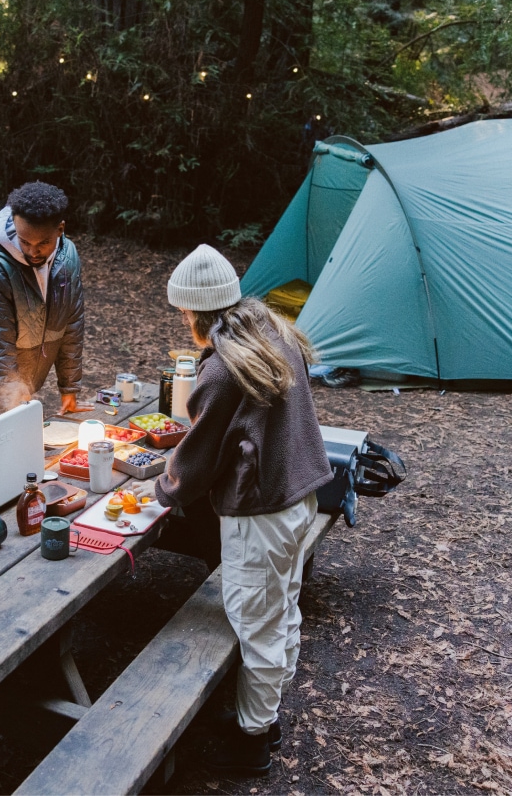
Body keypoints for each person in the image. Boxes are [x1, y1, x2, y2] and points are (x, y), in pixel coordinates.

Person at [135, 244, 333, 776]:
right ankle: (264, 714)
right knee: (282, 605)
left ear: (194, 312)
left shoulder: (225, 368)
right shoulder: (268, 332)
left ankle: (253, 742)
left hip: (261, 512)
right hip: (299, 495)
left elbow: (198, 457)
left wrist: (160, 492)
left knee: (256, 620)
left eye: (182, 314)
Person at [0, 181, 88, 431]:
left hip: (19, 383)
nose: (32, 251)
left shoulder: (68, 258)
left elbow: (71, 324)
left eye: (42, 243)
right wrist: (12, 396)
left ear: (60, 229)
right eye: (24, 241)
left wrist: (69, 387)